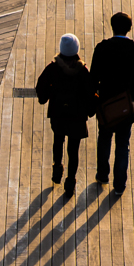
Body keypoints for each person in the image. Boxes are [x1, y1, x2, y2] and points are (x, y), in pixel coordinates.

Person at [90, 11, 134, 196]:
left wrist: (98, 94)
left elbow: (93, 78)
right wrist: (130, 92)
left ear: (112, 26)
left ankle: (102, 175)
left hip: (106, 105)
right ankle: (119, 185)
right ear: (129, 28)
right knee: (123, 143)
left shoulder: (102, 48)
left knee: (104, 138)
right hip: (126, 106)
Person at [36, 33, 93, 197]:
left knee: (58, 140)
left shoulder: (53, 68)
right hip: (77, 116)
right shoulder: (82, 71)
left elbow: (41, 87)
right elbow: (90, 93)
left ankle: (57, 170)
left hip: (58, 113)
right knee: (73, 149)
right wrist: (90, 110)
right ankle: (70, 181)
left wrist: (44, 98)